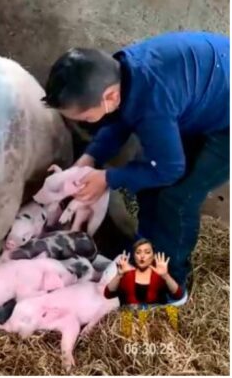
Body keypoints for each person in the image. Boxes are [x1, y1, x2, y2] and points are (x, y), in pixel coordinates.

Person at [41, 31, 230, 304]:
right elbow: (121, 118)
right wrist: (90, 158)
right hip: (208, 95)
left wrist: (108, 177)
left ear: (110, 96)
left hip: (226, 122)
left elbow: (170, 168)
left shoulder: (152, 98)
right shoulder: (122, 73)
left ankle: (170, 288)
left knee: (177, 196)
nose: (82, 122)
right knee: (149, 185)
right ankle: (148, 258)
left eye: (84, 117)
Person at [104, 239, 183, 306]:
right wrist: (119, 275)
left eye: (147, 252)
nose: (142, 256)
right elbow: (108, 294)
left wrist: (166, 276)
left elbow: (178, 295)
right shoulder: (127, 275)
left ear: (153, 256)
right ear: (134, 256)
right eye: (138, 252)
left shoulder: (160, 275)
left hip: (155, 320)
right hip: (130, 320)